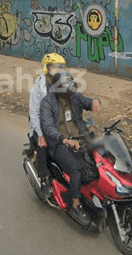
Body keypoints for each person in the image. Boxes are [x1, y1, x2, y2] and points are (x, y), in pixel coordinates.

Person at [40, 70, 101, 225]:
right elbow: (47, 127)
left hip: (81, 137)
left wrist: (95, 102)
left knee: (101, 158)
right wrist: (64, 140)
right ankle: (75, 204)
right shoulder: (47, 102)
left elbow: (88, 102)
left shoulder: (74, 95)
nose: (71, 94)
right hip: (59, 142)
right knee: (75, 169)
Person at [28, 53, 67, 196]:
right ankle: (43, 179)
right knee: (43, 146)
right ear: (47, 68)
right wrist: (40, 134)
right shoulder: (38, 89)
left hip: (57, 123)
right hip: (40, 125)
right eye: (55, 67)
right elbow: (34, 113)